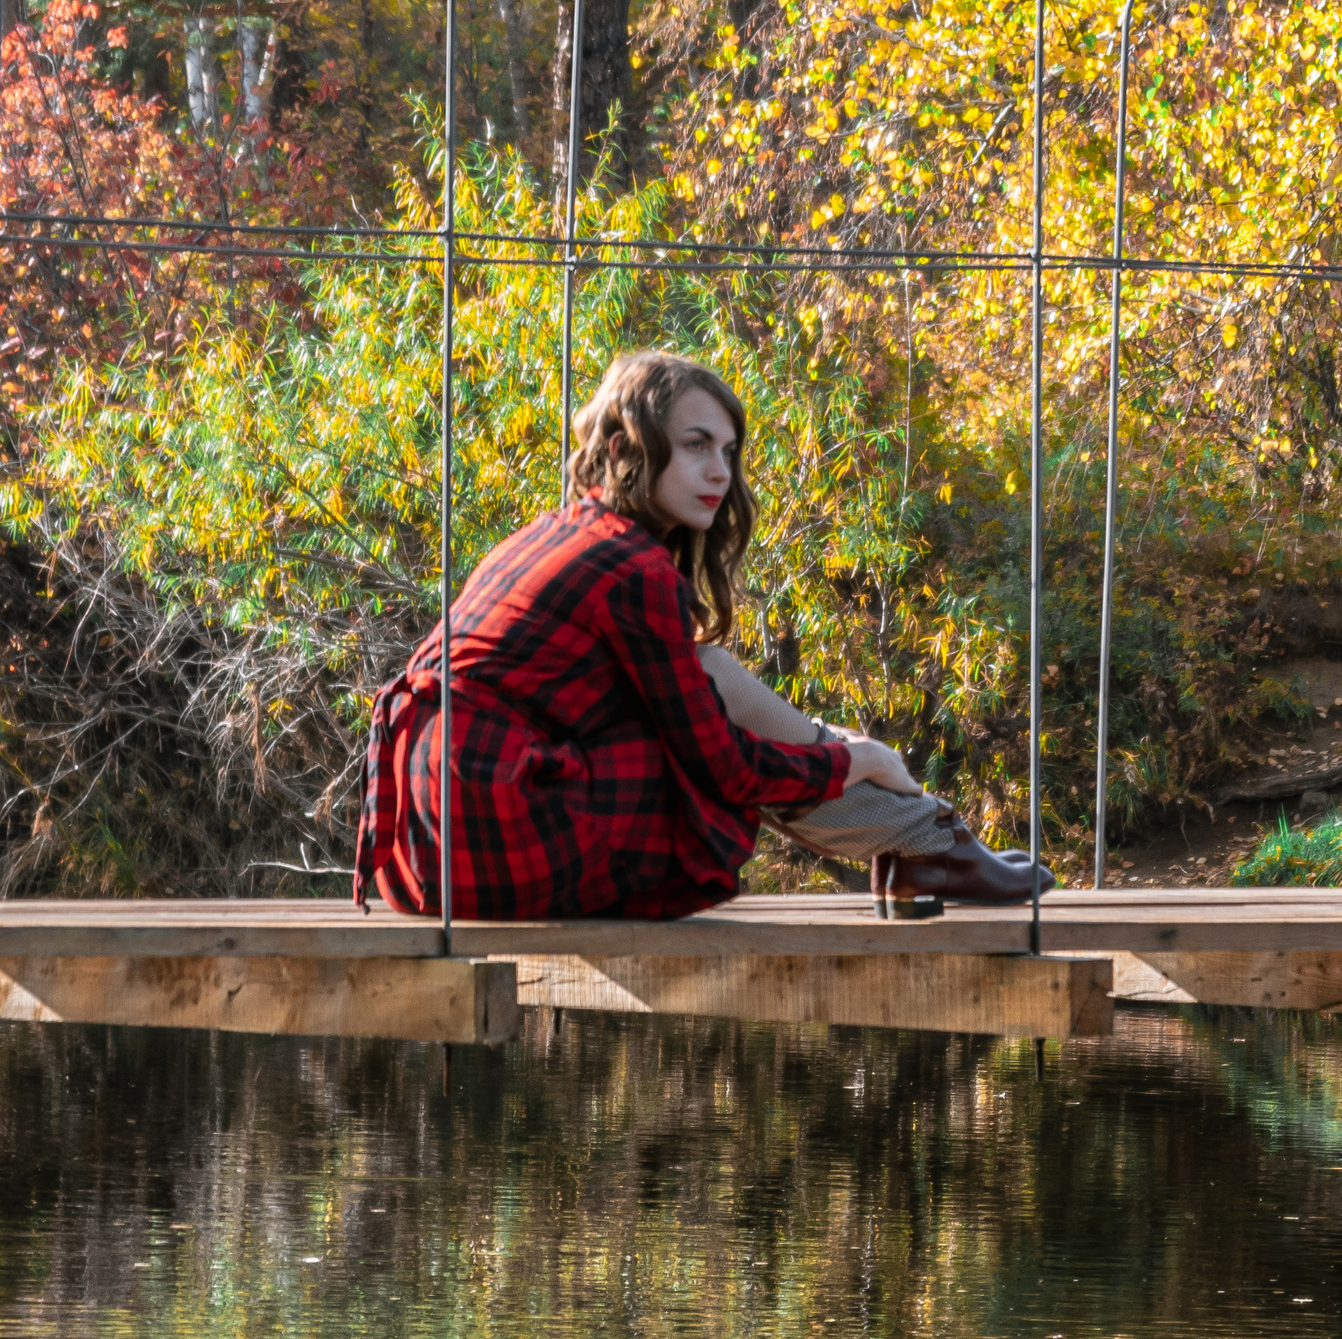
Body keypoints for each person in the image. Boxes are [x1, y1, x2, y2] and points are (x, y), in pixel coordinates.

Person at [353, 347, 1052, 921]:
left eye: (728, 449)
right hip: (495, 835)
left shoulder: (556, 534)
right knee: (716, 713)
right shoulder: (632, 568)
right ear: (627, 446)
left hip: (424, 850)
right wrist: (853, 758)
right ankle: (927, 839)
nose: (720, 470)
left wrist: (835, 751)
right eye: (695, 446)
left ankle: (922, 838)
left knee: (710, 674)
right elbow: (727, 769)